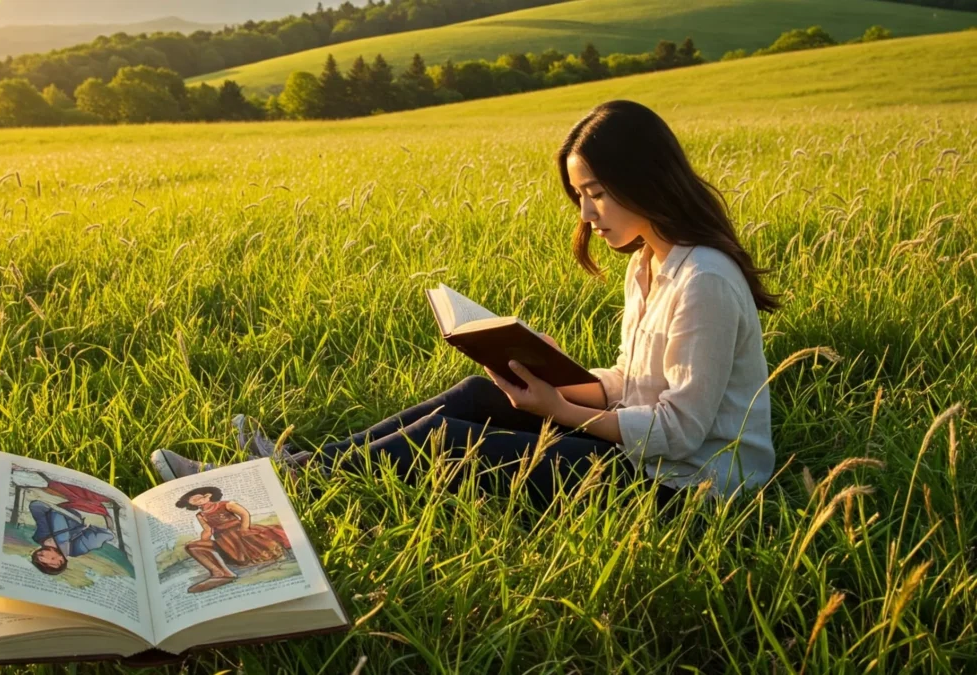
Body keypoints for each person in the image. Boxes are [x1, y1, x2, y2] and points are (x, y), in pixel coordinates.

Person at [151, 99, 780, 511]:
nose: (586, 213)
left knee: (452, 444)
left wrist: (559, 407)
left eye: (596, 192)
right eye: (579, 195)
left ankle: (261, 491)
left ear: (644, 179)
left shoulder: (704, 282)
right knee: (480, 397)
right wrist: (565, 378)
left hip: (689, 488)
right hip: (648, 455)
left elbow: (679, 429)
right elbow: (635, 386)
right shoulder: (647, 264)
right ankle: (290, 468)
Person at [174, 486, 292, 593]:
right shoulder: (200, 515)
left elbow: (244, 514)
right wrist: (203, 541)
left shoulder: (226, 504)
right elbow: (207, 530)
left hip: (239, 531)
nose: (198, 501)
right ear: (190, 504)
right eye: (194, 501)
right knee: (192, 546)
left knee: (256, 553)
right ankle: (221, 574)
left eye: (200, 498)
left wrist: (244, 529)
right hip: (223, 538)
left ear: (208, 496)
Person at [20, 470, 118, 575]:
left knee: (57, 486)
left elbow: (37, 509)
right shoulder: (76, 548)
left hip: (66, 506)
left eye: (39, 557)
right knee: (93, 495)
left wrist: (51, 512)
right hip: (88, 510)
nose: (39, 556)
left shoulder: (40, 537)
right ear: (58, 561)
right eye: (43, 559)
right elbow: (104, 535)